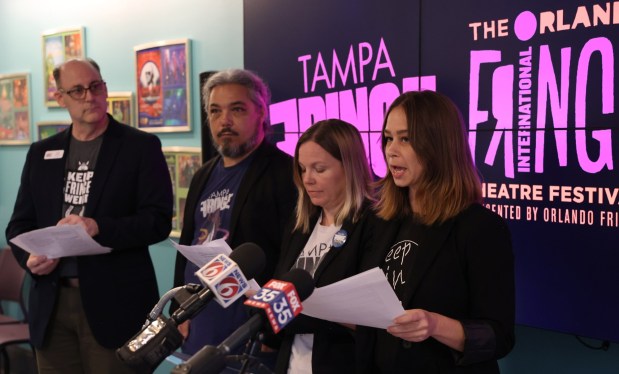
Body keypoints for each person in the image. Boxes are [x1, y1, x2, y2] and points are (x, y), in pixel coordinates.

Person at [5, 58, 173, 374]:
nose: (89, 96)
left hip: (116, 303)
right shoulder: (42, 153)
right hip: (51, 303)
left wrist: (98, 227)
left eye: (96, 86)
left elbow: (158, 221)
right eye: (78, 90)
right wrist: (28, 256)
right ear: (60, 98)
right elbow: (19, 224)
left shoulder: (140, 147)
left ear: (105, 88)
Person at [357, 90, 515, 373]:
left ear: (438, 145)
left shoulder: (481, 228)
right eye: (389, 138)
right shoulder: (380, 219)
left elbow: (498, 337)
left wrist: (434, 325)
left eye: (405, 139)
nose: (391, 150)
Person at [172, 69, 296, 357]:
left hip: (249, 334)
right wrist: (180, 310)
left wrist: (275, 331)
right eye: (215, 111)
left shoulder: (285, 173)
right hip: (200, 328)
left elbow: (291, 258)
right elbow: (187, 247)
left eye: (237, 109)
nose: (224, 121)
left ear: (261, 113)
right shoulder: (203, 174)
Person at [272, 119, 376, 373]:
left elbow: (371, 319)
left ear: (350, 168)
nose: (308, 179)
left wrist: (294, 307)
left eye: (319, 169)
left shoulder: (373, 226)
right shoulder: (301, 226)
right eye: (303, 169)